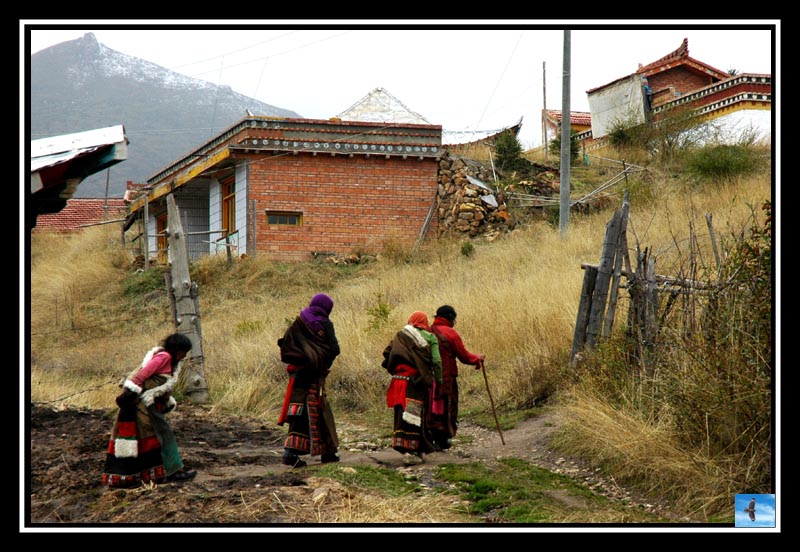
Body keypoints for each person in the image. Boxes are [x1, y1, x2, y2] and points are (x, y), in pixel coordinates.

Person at [102, 332, 197, 487]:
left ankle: (160, 474)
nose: (184, 356)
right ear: (176, 350)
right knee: (158, 436)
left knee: (153, 437)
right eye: (182, 352)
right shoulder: (164, 357)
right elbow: (143, 374)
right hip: (143, 406)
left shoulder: (169, 360)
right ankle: (168, 473)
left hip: (148, 405)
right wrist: (131, 391)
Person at [277, 293, 341, 468]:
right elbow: (335, 349)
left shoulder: (298, 322)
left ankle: (323, 452)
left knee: (299, 412)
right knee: (320, 411)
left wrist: (304, 359)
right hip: (314, 378)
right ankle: (297, 453)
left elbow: (285, 346)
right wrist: (321, 361)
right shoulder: (326, 325)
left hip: (298, 377)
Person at [382, 311, 442, 465]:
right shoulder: (430, 337)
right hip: (415, 382)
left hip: (397, 381)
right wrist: (438, 380)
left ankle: (407, 448)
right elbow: (436, 361)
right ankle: (413, 450)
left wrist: (395, 369)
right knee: (414, 415)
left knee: (401, 414)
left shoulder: (401, 335)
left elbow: (387, 354)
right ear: (425, 322)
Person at [429, 305, 485, 451]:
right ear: (450, 318)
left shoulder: (428, 331)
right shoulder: (450, 333)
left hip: (428, 378)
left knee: (431, 406)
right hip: (446, 377)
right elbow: (464, 356)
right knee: (447, 406)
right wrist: (477, 358)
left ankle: (430, 437)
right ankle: (442, 439)